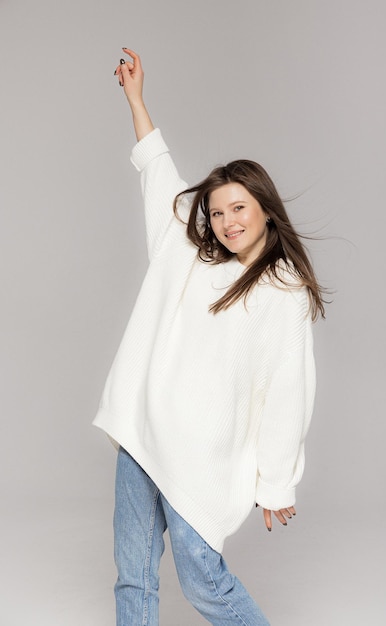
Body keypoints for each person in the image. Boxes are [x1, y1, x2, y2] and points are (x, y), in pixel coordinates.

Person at [93, 48, 325, 626]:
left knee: (203, 583)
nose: (228, 222)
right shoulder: (188, 254)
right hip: (143, 436)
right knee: (134, 576)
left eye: (239, 208)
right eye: (217, 212)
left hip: (201, 458)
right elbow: (158, 173)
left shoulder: (282, 290)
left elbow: (287, 392)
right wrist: (137, 100)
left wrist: (276, 482)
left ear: (266, 210)